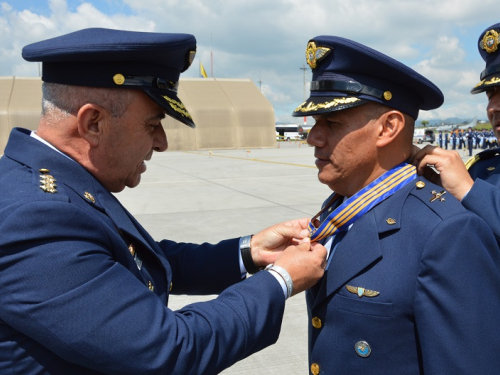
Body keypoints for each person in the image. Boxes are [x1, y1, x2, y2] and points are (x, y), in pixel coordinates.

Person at [0, 28, 328, 374]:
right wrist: (281, 280)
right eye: (152, 124)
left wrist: (250, 252)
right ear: (92, 122)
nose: (161, 142)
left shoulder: (49, 184)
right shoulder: (34, 216)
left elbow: (130, 258)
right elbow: (170, 351)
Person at [292, 35, 500, 374]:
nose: (313, 137)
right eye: (315, 123)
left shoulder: (447, 231)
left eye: (331, 122)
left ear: (389, 127)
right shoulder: (339, 211)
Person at [412, 22, 500, 242]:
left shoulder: (473, 184)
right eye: (490, 95)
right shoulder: (483, 169)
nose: (492, 107)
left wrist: (470, 192)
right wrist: (446, 194)